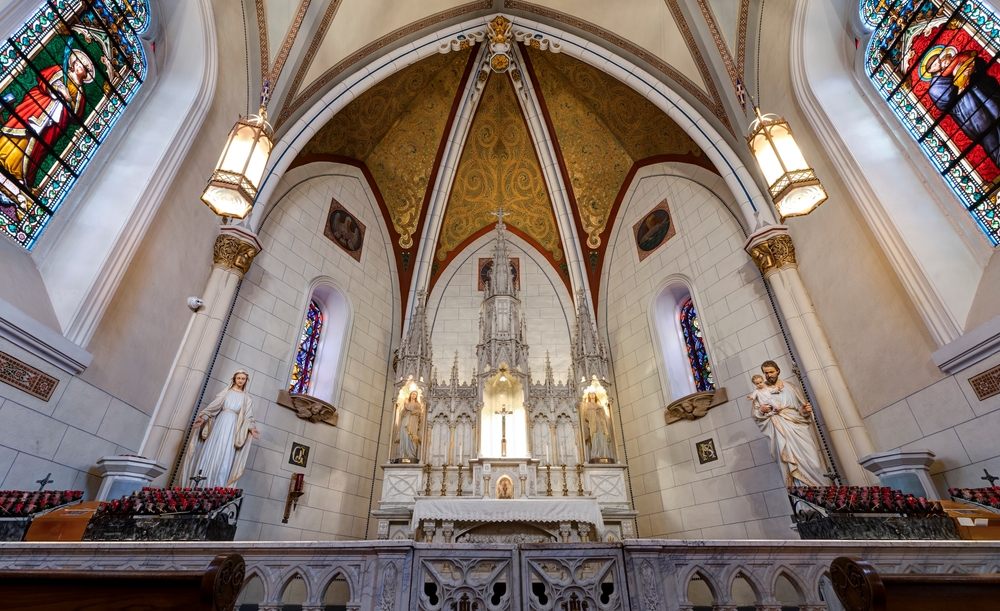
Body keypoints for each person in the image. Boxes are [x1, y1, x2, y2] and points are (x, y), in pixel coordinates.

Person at [0, 48, 95, 218]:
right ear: (73, 64)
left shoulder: (81, 93)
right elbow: (42, 77)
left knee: (37, 148)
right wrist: (57, 88)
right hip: (38, 107)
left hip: (53, 124)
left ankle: (19, 178)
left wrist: (68, 101)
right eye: (80, 63)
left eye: (85, 67)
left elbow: (77, 116)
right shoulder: (59, 71)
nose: (81, 67)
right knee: (20, 133)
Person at [752, 361, 828, 487]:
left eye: (771, 372)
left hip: (797, 426)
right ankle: (804, 502)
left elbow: (800, 407)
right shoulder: (760, 390)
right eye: (766, 373)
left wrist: (803, 411)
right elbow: (755, 414)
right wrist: (761, 411)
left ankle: (824, 493)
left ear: (778, 371)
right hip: (779, 427)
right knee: (791, 462)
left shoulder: (790, 386)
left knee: (814, 462)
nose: (769, 375)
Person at [180, 370, 260, 489]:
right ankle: (200, 485)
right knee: (211, 450)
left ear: (246, 381)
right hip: (219, 425)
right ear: (234, 379)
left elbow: (248, 417)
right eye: (238, 378)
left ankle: (217, 488)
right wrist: (203, 418)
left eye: (243, 379)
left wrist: (252, 428)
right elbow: (212, 408)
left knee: (226, 455)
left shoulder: (247, 398)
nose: (240, 381)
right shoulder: (226, 393)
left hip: (233, 428)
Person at [582, 391, 613, 462]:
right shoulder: (588, 404)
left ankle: (604, 454)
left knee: (602, 437)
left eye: (593, 394)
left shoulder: (599, 404)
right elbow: (586, 416)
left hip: (600, 423)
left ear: (595, 395)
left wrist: (599, 411)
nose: (592, 395)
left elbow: (603, 414)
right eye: (590, 394)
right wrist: (594, 411)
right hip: (593, 424)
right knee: (595, 437)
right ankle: (595, 454)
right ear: (589, 396)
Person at [393, 390, 423, 462]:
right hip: (405, 420)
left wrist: (411, 410)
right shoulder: (406, 403)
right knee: (405, 436)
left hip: (413, 422)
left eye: (415, 395)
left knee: (412, 438)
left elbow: (419, 412)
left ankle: (411, 454)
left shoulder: (417, 404)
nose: (414, 396)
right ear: (410, 395)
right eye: (413, 394)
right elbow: (402, 413)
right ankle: (403, 454)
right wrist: (405, 409)